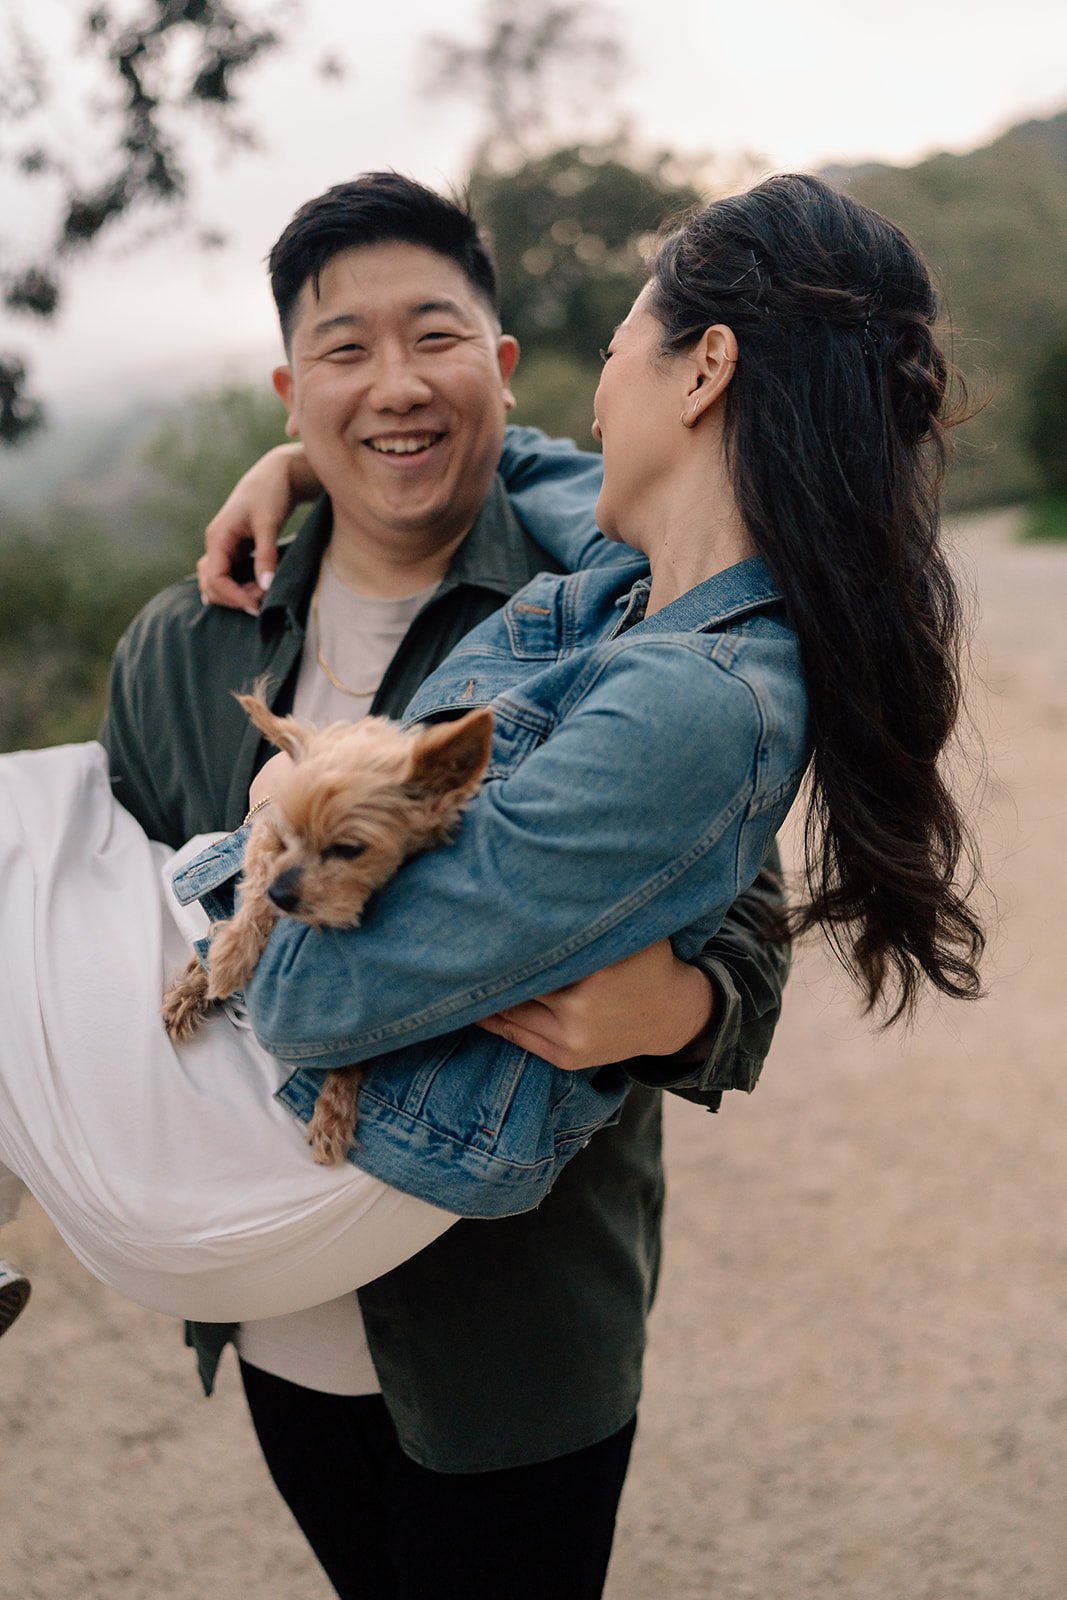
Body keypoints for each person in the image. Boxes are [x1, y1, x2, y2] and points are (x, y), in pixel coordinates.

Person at [0, 171, 983, 1600]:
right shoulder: (199, 639)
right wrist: (294, 473)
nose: (394, 383)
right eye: (343, 352)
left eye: (437, 339)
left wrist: (682, 1013)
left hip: (499, 1324)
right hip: (280, 1310)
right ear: (291, 385)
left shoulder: (624, 604)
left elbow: (722, 931)